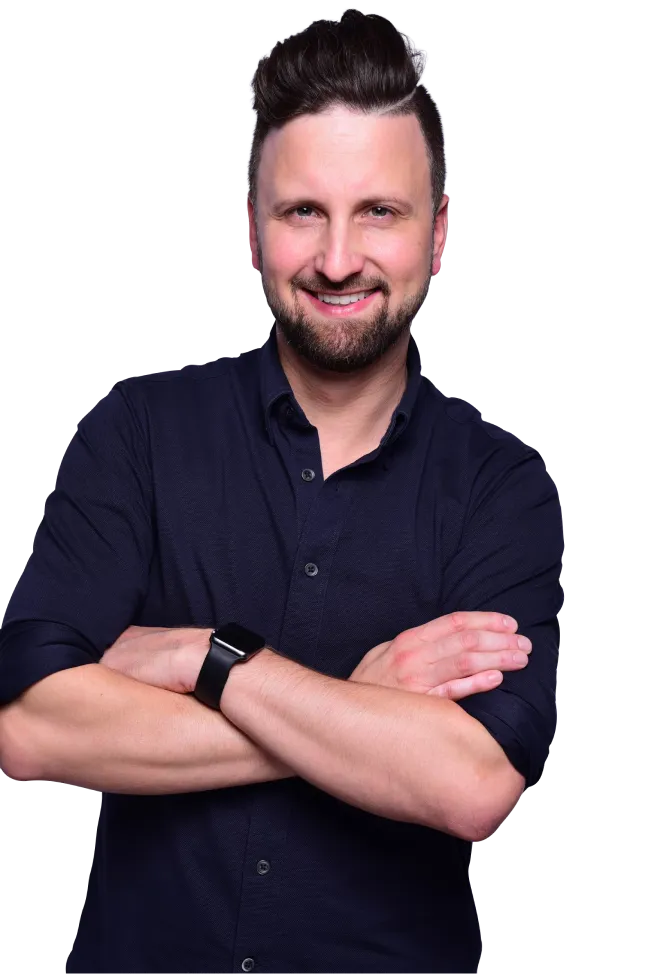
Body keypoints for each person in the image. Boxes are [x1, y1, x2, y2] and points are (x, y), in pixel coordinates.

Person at [0, 10, 563, 973]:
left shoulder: (502, 489)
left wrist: (200, 658)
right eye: (303, 212)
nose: (338, 260)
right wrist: (356, 711)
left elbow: (471, 783)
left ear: (438, 235)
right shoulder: (136, 433)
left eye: (379, 212)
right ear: (254, 231)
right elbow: (25, 729)